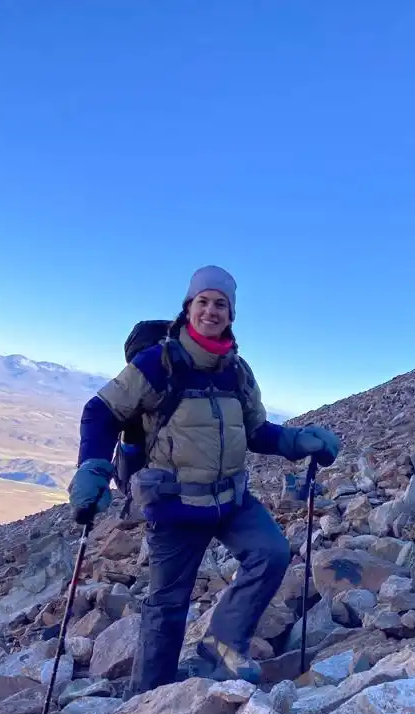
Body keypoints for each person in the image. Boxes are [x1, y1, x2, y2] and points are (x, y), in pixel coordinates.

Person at [69, 266, 340, 689]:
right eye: (203, 302)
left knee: (271, 553)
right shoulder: (157, 364)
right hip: (174, 502)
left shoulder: (237, 371)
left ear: (231, 315)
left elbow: (255, 432)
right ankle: (147, 700)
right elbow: (101, 412)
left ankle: (223, 644)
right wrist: (93, 467)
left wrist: (298, 441)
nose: (211, 311)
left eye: (221, 304)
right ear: (188, 307)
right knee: (167, 605)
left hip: (230, 497)